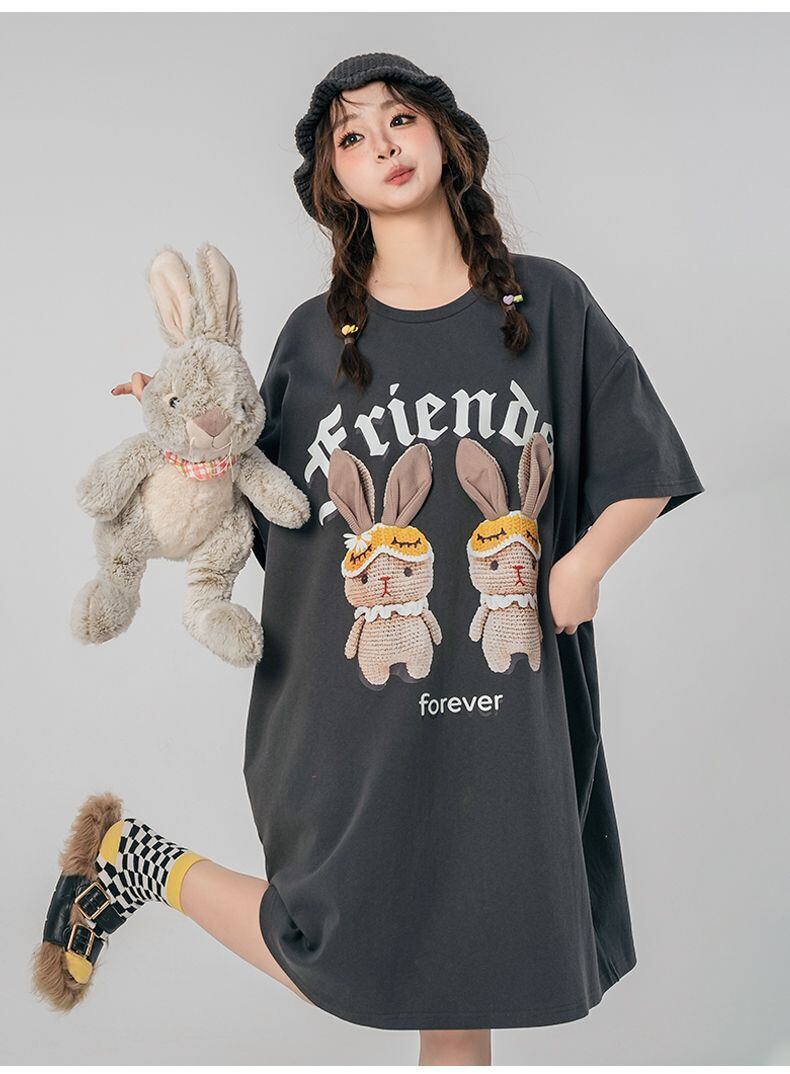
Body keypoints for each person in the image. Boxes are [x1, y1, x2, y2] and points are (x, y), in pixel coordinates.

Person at [35, 53, 705, 1066]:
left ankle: (134, 862)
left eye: (399, 119)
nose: (383, 144)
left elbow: (640, 463)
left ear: (444, 135)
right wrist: (177, 444)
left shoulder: (546, 304)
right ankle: (138, 864)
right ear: (334, 180)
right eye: (353, 136)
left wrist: (584, 566)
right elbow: (258, 512)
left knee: (469, 976)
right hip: (358, 709)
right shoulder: (313, 341)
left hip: (507, 711)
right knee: (345, 947)